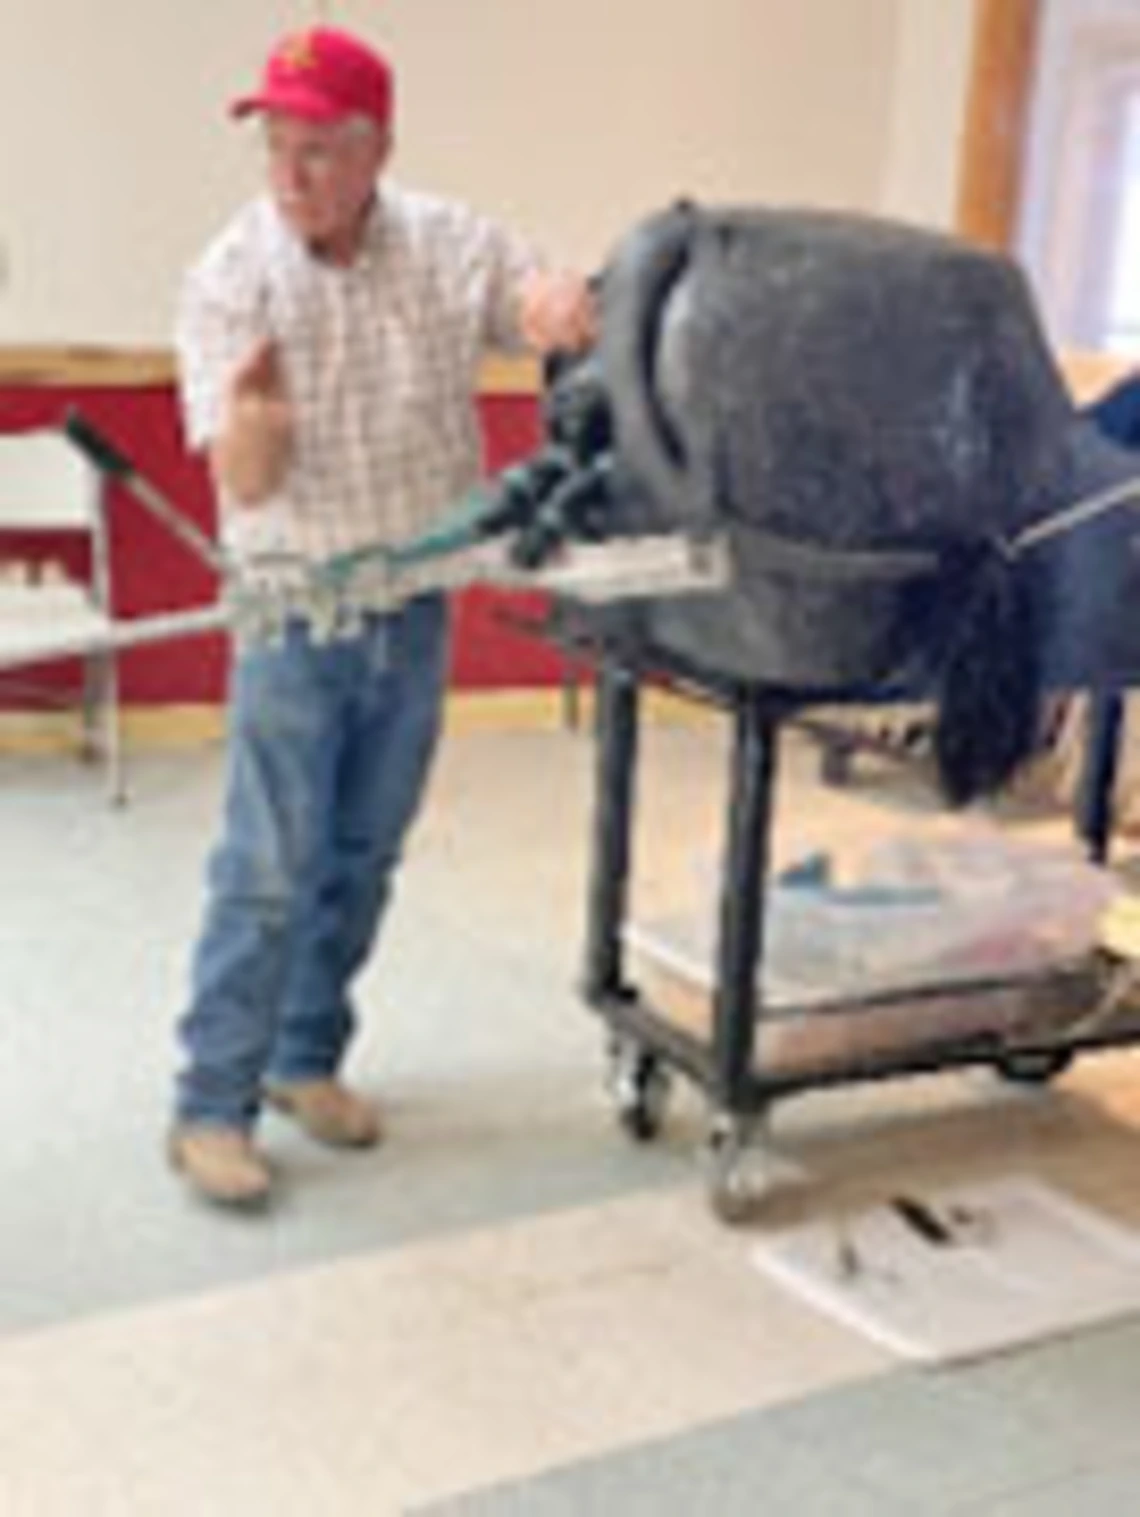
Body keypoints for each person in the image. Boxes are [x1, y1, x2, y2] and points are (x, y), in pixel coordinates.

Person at [170, 24, 595, 1206]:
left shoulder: (448, 243)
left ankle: (308, 1057)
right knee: (267, 864)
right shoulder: (231, 275)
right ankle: (211, 1102)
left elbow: (538, 302)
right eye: (276, 146)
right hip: (293, 615)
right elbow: (244, 481)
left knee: (363, 852)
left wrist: (562, 300)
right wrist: (258, 422)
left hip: (413, 607)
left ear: (376, 149)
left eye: (318, 148)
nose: (291, 174)